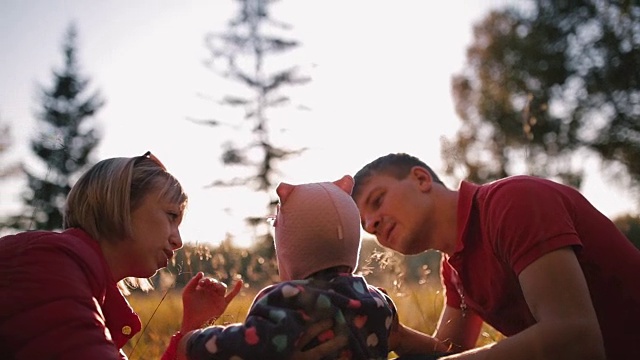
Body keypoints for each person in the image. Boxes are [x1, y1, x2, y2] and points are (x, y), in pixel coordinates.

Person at [0, 151, 342, 360]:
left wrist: (190, 331)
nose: (178, 241)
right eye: (170, 217)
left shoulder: (85, 285)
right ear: (121, 203)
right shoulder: (47, 263)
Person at [351, 152, 640, 360]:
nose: (373, 224)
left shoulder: (511, 203)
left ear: (421, 179)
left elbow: (576, 337)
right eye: (367, 225)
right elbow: (454, 350)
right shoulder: (453, 268)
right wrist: (398, 336)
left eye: (377, 201)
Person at [176, 175, 451, 359]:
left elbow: (246, 344)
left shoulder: (287, 301)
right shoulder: (377, 302)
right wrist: (450, 352)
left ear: (288, 250)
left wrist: (191, 340)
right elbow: (403, 340)